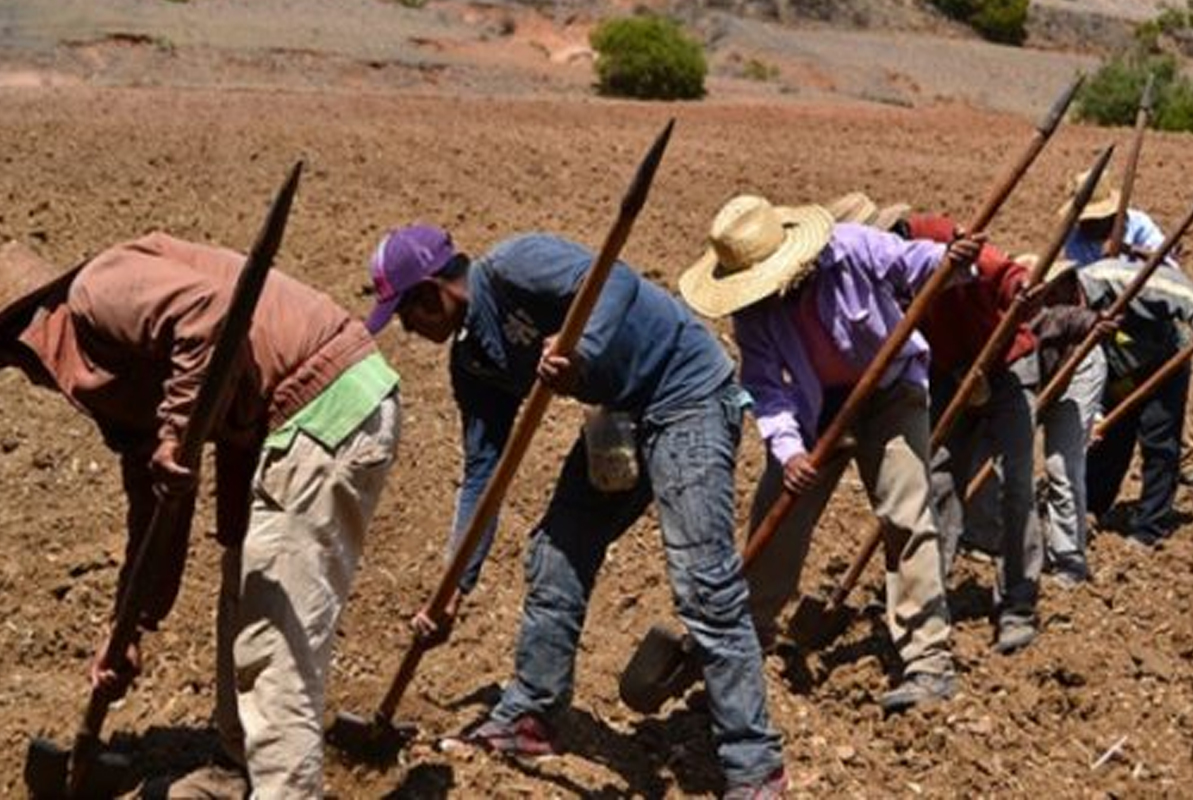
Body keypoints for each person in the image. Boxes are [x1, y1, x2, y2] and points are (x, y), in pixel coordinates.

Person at [363, 225, 786, 797]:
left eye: (408, 314)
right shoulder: (473, 363)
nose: (409, 331)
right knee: (556, 551)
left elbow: (613, 279)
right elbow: (483, 476)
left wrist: (578, 347)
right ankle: (530, 715)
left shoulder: (513, 265)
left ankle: (755, 767)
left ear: (433, 292)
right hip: (621, 416)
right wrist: (453, 585)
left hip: (686, 394)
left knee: (704, 584)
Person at [0, 233, 401, 797]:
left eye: (17, 360)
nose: (30, 375)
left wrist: (176, 430)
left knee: (273, 645)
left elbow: (208, 312)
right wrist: (129, 625)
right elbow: (158, 501)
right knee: (241, 593)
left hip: (326, 401)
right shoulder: (116, 365)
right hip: (283, 426)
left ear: (25, 331)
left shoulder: (99, 289)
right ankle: (239, 768)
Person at [678, 194, 983, 713]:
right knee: (776, 520)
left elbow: (915, 265)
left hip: (889, 393)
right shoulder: (753, 313)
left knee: (907, 515)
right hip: (812, 412)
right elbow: (765, 389)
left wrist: (949, 258)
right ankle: (744, 645)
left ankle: (929, 662)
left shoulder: (851, 248)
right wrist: (790, 451)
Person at [891, 211, 1045, 655]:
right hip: (943, 372)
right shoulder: (870, 270)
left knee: (1016, 484)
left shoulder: (942, 237)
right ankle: (929, 603)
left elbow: (1004, 270)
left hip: (1005, 362)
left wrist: (1020, 289)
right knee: (935, 482)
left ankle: (1018, 605)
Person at [1076, 256, 1193, 546]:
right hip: (1115, 372)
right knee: (1110, 440)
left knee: (1159, 441)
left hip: (1163, 360)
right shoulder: (1057, 315)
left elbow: (1176, 288)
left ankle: (1150, 526)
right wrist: (1092, 415)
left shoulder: (1110, 276)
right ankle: (1092, 507)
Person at [1023, 260, 1110, 586]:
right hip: (1032, 383)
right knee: (1003, 463)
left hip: (1076, 375)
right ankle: (996, 541)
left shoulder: (1054, 317)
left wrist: (1099, 322)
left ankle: (1069, 559)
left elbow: (1087, 320)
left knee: (1062, 465)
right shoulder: (1000, 318)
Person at [1060, 167, 1170, 267]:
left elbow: (1168, 263)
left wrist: (1126, 249)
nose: (1087, 226)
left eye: (1093, 220)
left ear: (1110, 216)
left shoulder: (1138, 224)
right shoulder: (1075, 239)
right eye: (1084, 220)